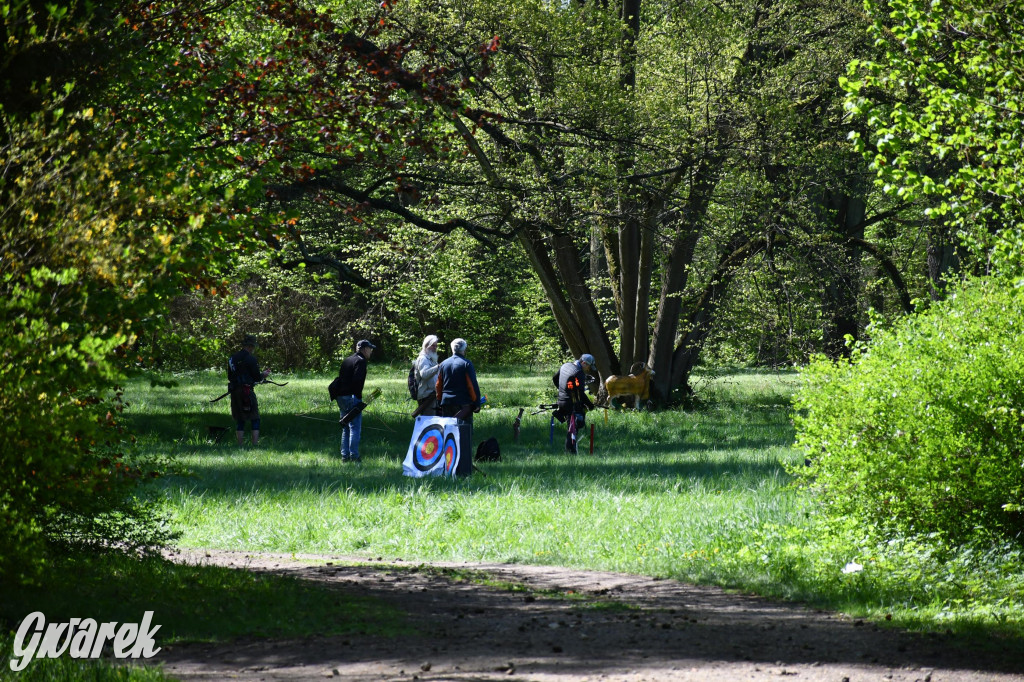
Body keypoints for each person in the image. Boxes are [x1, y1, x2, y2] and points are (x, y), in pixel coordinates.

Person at [435, 338, 481, 476]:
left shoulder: (443, 364)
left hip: (446, 403)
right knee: (464, 435)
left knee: (448, 434)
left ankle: (447, 466)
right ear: (464, 349)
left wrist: (439, 401)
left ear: (452, 349)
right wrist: (476, 403)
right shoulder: (466, 364)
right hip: (463, 405)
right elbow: (471, 385)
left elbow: (438, 385)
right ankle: (464, 468)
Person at [335, 339, 375, 462]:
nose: (371, 351)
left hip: (340, 396)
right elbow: (357, 381)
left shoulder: (348, 360)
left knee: (345, 425)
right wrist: (358, 400)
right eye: (370, 349)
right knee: (354, 428)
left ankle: (344, 456)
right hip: (351, 397)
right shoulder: (361, 361)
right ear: (364, 349)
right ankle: (354, 456)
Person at [228, 335, 271, 446]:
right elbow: (257, 377)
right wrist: (264, 375)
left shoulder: (232, 358)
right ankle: (255, 444)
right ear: (251, 346)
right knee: (255, 417)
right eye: (253, 346)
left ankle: (240, 444)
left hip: (234, 391)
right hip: (247, 391)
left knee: (240, 418)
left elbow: (229, 376)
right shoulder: (251, 359)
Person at [555, 353, 595, 453]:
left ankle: (570, 449)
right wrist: (590, 405)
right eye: (589, 366)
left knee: (572, 425)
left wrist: (562, 391)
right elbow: (580, 393)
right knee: (574, 425)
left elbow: (555, 378)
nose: (588, 369)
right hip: (571, 403)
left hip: (561, 400)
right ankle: (571, 451)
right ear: (584, 363)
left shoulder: (565, 365)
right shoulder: (579, 373)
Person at [412, 334, 442, 417]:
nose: (435, 348)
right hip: (426, 396)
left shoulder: (432, 358)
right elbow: (424, 374)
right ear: (426, 346)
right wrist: (438, 367)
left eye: (436, 346)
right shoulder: (423, 358)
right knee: (429, 422)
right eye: (432, 346)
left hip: (433, 395)